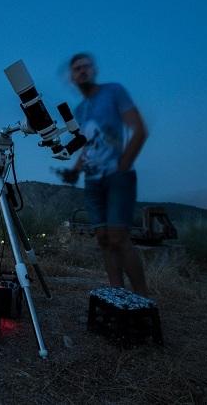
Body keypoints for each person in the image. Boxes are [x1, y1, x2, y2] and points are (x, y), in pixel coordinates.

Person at [61, 53, 149, 295]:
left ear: (94, 70)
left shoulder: (114, 92)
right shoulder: (80, 110)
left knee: (119, 237)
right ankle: (116, 294)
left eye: (85, 67)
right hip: (92, 180)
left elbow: (139, 129)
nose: (82, 72)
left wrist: (123, 166)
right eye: (77, 69)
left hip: (116, 177)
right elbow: (89, 146)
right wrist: (75, 171)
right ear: (72, 77)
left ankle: (143, 299)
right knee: (102, 238)